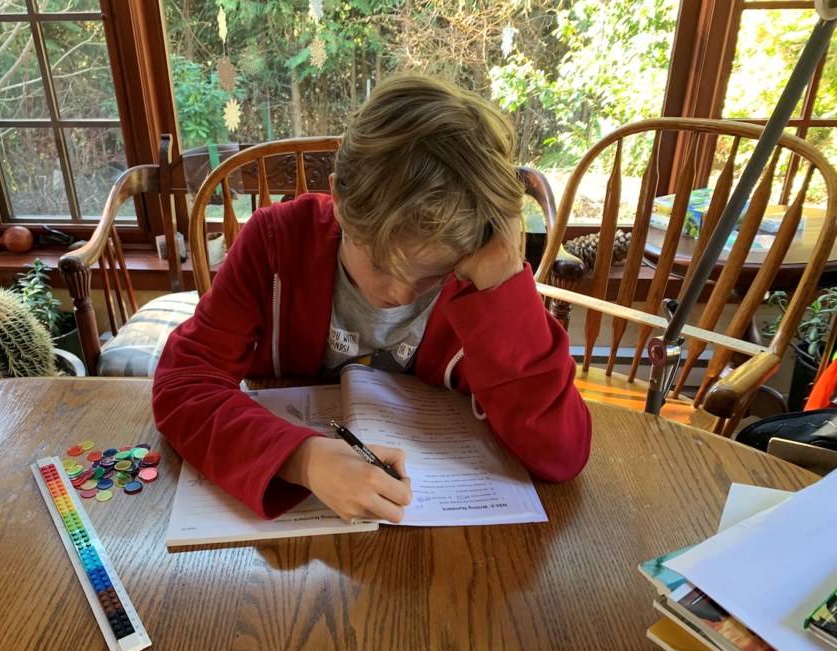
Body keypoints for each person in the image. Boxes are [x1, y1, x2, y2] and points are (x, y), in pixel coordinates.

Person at [153, 74, 592, 523]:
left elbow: (562, 455)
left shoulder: (477, 271)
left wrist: (503, 287)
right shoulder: (274, 242)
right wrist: (301, 459)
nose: (399, 294)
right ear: (340, 197)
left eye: (433, 277)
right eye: (383, 265)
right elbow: (182, 384)